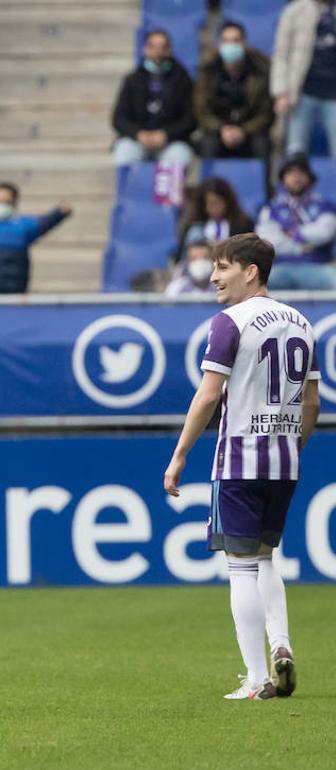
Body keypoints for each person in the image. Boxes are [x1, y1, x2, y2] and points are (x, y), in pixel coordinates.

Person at [164, 233, 319, 701]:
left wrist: (180, 454)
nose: (213, 277)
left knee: (241, 569)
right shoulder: (301, 321)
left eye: (223, 267)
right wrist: (293, 446)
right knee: (267, 557)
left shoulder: (229, 321)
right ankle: (282, 645)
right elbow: (311, 403)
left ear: (250, 271)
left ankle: (256, 679)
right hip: (283, 460)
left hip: (237, 459)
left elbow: (209, 394)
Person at [111, 29, 196, 167]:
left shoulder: (182, 80)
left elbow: (191, 119)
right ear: (145, 49)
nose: (157, 51)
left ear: (169, 50)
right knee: (124, 153)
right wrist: (138, 134)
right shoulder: (132, 80)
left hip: (171, 142)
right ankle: (131, 189)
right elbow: (119, 118)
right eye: (153, 46)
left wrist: (166, 134)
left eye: (162, 47)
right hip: (138, 140)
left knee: (178, 157)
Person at [194, 22, 272, 162]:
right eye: (226, 41)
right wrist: (222, 129)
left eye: (236, 40)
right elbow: (202, 111)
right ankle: (208, 183)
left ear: (244, 44)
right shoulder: (207, 71)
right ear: (219, 44)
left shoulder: (260, 71)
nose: (231, 45)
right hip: (218, 130)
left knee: (262, 144)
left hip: (250, 130)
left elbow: (265, 113)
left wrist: (244, 130)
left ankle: (264, 184)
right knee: (208, 144)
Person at [255, 155, 336, 290]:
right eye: (290, 172)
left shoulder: (324, 205)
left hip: (317, 266)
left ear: (309, 177)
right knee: (254, 284)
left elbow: (324, 233)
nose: (296, 177)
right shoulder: (271, 208)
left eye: (301, 172)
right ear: (283, 178)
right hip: (280, 267)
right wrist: (301, 247)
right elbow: (267, 241)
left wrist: (293, 233)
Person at [273, 0, 336, 158]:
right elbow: (281, 53)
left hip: (334, 93)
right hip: (302, 92)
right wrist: (281, 91)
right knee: (295, 150)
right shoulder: (294, 11)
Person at [177, 177, 256, 249]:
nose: (210, 209)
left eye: (215, 203)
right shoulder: (194, 227)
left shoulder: (243, 225)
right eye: (206, 204)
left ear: (227, 202)